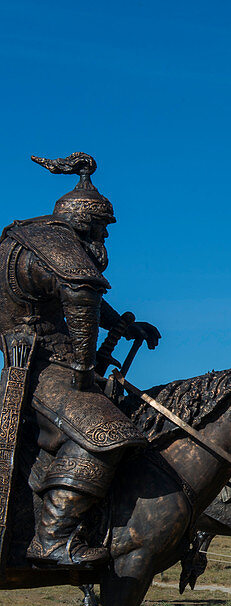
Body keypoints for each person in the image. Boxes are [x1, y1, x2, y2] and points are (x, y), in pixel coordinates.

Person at [1, 152, 159, 567]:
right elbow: (80, 295)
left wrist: (124, 327)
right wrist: (84, 371)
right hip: (44, 367)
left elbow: (72, 295)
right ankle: (53, 538)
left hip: (31, 363)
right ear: (85, 222)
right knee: (106, 432)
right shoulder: (57, 243)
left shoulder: (24, 240)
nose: (104, 240)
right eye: (102, 229)